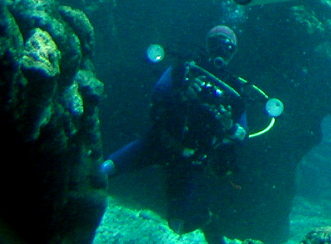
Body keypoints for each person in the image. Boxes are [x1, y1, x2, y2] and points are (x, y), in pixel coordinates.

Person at [101, 25, 249, 244]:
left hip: (190, 161)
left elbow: (242, 134)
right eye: (214, 44)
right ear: (206, 45)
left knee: (178, 224)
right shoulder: (183, 69)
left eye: (227, 47)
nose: (220, 51)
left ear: (233, 52)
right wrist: (183, 95)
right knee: (104, 170)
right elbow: (157, 96)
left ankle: (209, 221)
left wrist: (228, 126)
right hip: (158, 142)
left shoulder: (234, 90)